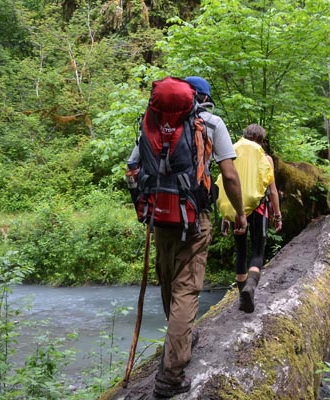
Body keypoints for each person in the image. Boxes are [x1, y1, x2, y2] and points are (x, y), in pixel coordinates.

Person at [128, 76, 247, 398]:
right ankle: (171, 375)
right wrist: (239, 212)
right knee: (187, 288)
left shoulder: (151, 121)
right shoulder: (210, 123)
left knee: (168, 278)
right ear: (204, 98)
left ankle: (182, 334)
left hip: (159, 216)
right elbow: (230, 174)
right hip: (194, 217)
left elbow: (133, 166)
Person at [222, 124, 282, 313]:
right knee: (257, 252)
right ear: (260, 140)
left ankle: (243, 298)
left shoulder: (232, 153)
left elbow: (225, 184)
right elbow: (272, 191)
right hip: (259, 209)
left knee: (241, 251)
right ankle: (250, 288)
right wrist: (277, 214)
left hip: (236, 208)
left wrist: (226, 215)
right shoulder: (266, 159)